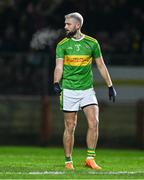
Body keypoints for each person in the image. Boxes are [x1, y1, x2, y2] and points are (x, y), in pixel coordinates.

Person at [53, 12, 116, 170]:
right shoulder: (62, 45)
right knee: (70, 126)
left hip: (87, 89)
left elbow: (101, 65)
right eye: (65, 24)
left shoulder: (92, 43)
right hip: (69, 89)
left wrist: (110, 86)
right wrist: (55, 82)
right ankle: (68, 161)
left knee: (94, 122)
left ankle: (90, 158)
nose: (65, 26)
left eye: (68, 24)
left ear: (77, 25)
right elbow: (59, 66)